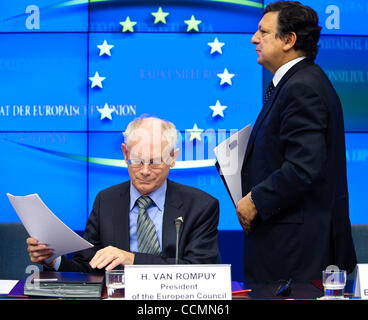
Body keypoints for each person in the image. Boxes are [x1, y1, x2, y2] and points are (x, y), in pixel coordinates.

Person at [236, 1, 356, 283]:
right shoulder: (296, 83)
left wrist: (254, 200)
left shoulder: (302, 87)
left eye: (263, 32)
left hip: (296, 257)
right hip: (290, 252)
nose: (254, 39)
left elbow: (304, 167)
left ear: (289, 40)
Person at [27, 116, 219, 272]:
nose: (144, 171)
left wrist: (132, 260)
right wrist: (53, 260)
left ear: (173, 158)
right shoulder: (106, 201)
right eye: (136, 160)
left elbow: (201, 271)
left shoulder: (200, 206)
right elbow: (87, 269)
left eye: (154, 162)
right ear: (125, 154)